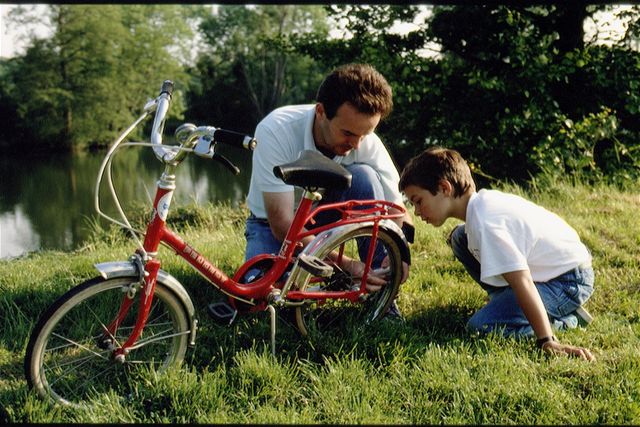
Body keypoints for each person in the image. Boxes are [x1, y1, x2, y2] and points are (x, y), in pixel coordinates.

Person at [399, 146, 596, 361]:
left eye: (418, 201)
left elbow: (523, 282)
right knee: (459, 238)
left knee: (482, 326)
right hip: (552, 268)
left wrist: (546, 341)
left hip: (568, 281)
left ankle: (567, 320)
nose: (416, 212)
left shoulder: (487, 223)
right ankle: (506, 305)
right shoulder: (479, 206)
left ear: (444, 188)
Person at [244, 63, 413, 312]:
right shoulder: (275, 131)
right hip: (273, 228)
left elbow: (397, 212)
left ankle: (382, 299)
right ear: (321, 111)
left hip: (326, 219)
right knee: (258, 299)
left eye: (364, 135)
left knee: (365, 176)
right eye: (347, 133)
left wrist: (400, 255)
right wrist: (346, 264)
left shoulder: (363, 140)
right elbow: (281, 225)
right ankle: (341, 276)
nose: (356, 145)